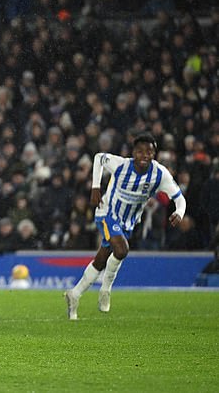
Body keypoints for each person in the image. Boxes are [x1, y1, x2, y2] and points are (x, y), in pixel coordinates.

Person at [64, 133, 186, 320]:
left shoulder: (160, 174)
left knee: (101, 259)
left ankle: (75, 294)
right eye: (140, 152)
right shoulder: (121, 165)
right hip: (107, 213)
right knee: (121, 250)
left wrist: (179, 212)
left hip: (128, 222)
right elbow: (98, 158)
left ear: (154, 154)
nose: (144, 156)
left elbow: (180, 199)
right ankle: (106, 289)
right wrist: (95, 187)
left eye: (149, 152)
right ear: (133, 153)